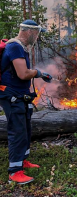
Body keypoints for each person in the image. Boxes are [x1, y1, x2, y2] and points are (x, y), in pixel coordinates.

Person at [0, 19, 52, 184]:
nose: (36, 36)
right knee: (17, 131)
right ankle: (14, 172)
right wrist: (37, 72)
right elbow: (23, 74)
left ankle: (23, 160)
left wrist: (40, 75)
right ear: (29, 31)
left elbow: (21, 75)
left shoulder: (21, 48)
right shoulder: (14, 47)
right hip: (11, 96)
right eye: (36, 33)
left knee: (25, 129)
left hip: (21, 95)